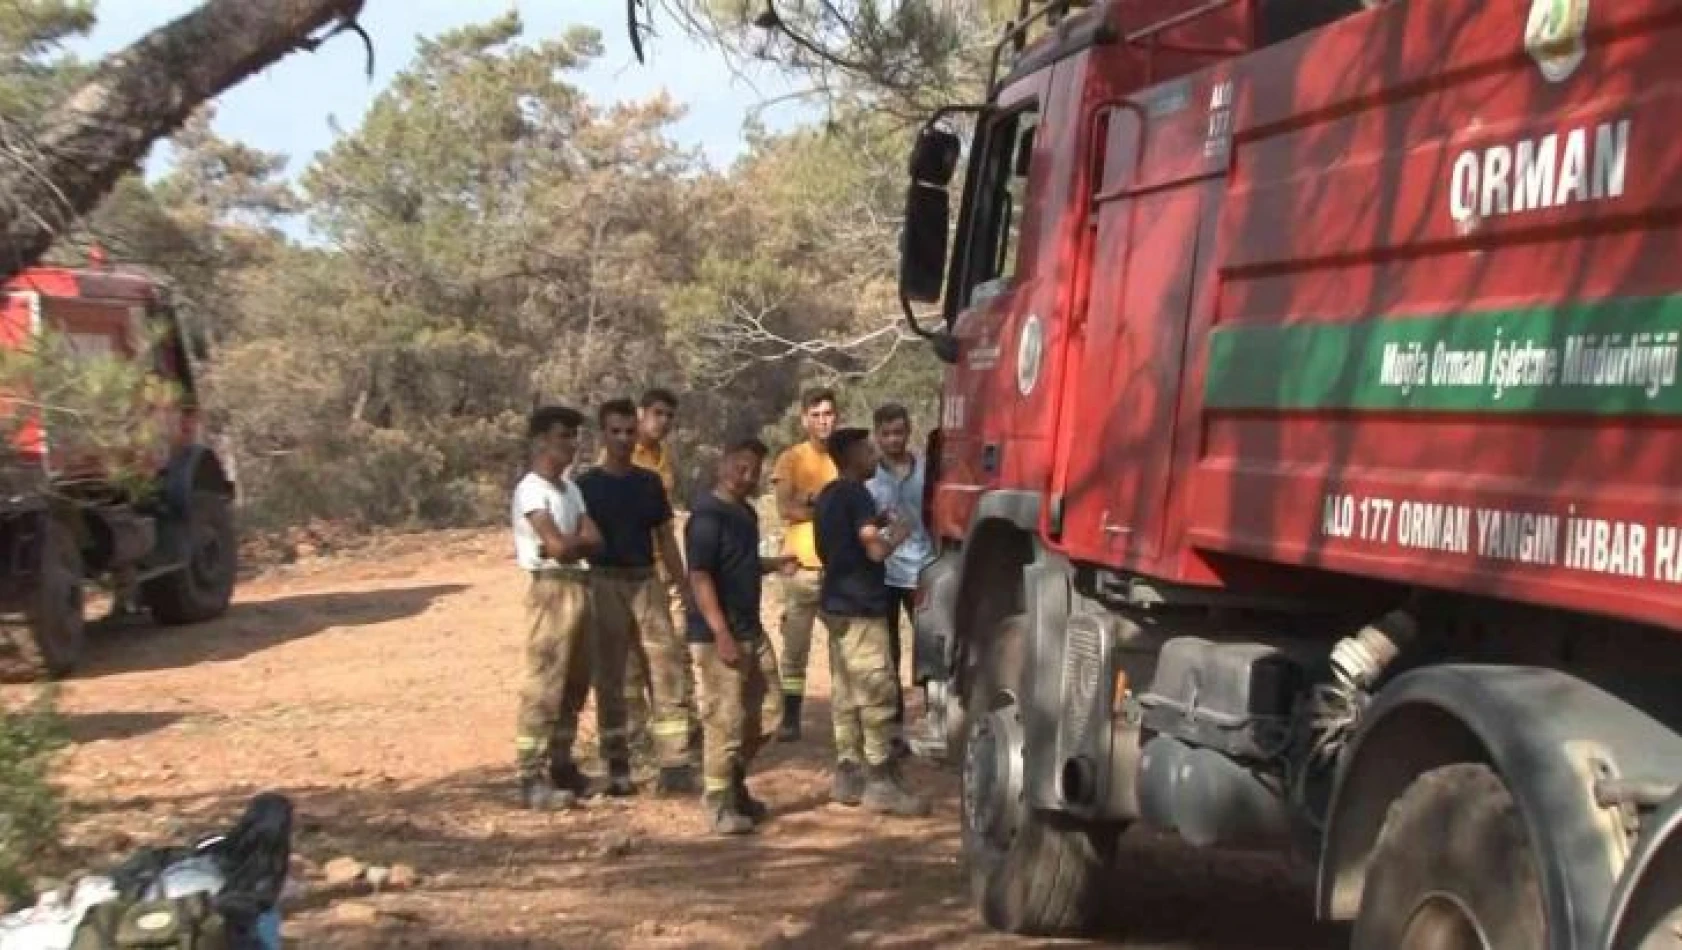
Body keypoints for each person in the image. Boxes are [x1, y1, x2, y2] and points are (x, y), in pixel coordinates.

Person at [577, 398, 697, 795]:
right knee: (611, 677)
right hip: (604, 582)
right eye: (616, 432)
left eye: (630, 431)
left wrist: (684, 585)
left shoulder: (649, 483)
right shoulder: (586, 486)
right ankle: (618, 764)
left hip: (647, 581)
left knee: (665, 669)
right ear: (603, 434)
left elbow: (665, 537)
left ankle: (675, 762)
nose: (625, 439)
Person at [813, 427, 929, 816]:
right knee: (876, 693)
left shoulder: (829, 496)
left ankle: (848, 774)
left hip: (835, 605)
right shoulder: (857, 494)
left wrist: (873, 521)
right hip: (862, 607)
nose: (872, 455)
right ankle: (880, 780)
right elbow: (876, 552)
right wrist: (897, 533)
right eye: (865, 450)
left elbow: (831, 545)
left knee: (846, 693)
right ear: (849, 457)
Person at [687, 438, 798, 834]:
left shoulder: (746, 514)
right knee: (724, 721)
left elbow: (742, 565)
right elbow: (700, 576)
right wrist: (720, 632)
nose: (747, 476)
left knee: (769, 711)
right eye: (741, 467)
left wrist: (772, 564)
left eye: (753, 470)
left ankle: (733, 783)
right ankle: (718, 802)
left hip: (752, 629)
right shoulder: (705, 517)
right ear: (723, 462)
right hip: (721, 635)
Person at [511, 405, 604, 811]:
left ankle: (563, 765)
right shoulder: (531, 490)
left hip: (581, 585)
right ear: (543, 440)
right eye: (564, 435)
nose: (572, 443)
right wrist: (572, 542)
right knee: (544, 683)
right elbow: (558, 548)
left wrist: (573, 543)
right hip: (550, 590)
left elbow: (592, 540)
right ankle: (529, 775)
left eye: (574, 435)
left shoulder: (572, 489)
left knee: (574, 683)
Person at [769, 387, 839, 741]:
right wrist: (828, 508)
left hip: (838, 569)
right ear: (804, 419)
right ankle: (790, 718)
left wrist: (811, 504)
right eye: (816, 414)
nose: (823, 420)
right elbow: (786, 509)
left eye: (828, 413)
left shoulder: (844, 458)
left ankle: (846, 722)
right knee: (795, 650)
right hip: (800, 568)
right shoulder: (791, 459)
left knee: (844, 647)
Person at [867, 404, 934, 755]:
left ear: (908, 432)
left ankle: (934, 719)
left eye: (899, 432)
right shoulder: (869, 478)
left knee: (929, 647)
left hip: (923, 569)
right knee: (887, 649)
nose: (893, 439)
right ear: (877, 436)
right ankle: (893, 729)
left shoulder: (928, 471)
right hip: (885, 573)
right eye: (886, 433)